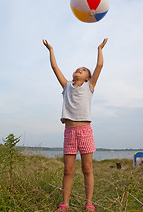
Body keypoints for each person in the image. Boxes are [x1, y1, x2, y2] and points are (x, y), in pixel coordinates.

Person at [43, 38, 108, 212]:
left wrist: (99, 48)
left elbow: (99, 66)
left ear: (88, 77)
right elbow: (55, 68)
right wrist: (51, 50)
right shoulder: (66, 86)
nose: (79, 69)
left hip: (85, 131)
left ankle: (89, 203)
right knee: (68, 170)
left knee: (87, 169)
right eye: (78, 68)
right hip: (69, 132)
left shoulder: (89, 86)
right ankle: (64, 204)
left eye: (84, 70)